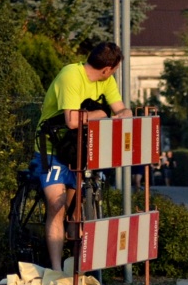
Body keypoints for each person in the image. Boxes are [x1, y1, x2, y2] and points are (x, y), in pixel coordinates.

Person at [31, 42, 132, 271]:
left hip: (79, 150)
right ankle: (57, 270)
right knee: (56, 206)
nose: (114, 74)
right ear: (106, 69)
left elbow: (122, 110)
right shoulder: (71, 76)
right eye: (114, 70)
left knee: (76, 209)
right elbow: (72, 121)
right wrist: (103, 113)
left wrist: (122, 115)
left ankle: (77, 270)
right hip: (52, 150)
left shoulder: (107, 81)